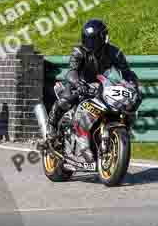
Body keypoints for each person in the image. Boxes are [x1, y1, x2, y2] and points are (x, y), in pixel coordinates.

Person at [45, 19, 140, 155]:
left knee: (125, 105)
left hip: (100, 84)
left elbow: (126, 72)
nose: (91, 43)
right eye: (88, 39)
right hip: (78, 83)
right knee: (67, 99)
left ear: (103, 37)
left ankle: (115, 135)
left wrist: (134, 85)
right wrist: (78, 83)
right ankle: (51, 127)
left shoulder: (114, 52)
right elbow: (72, 71)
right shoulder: (79, 51)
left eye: (94, 39)